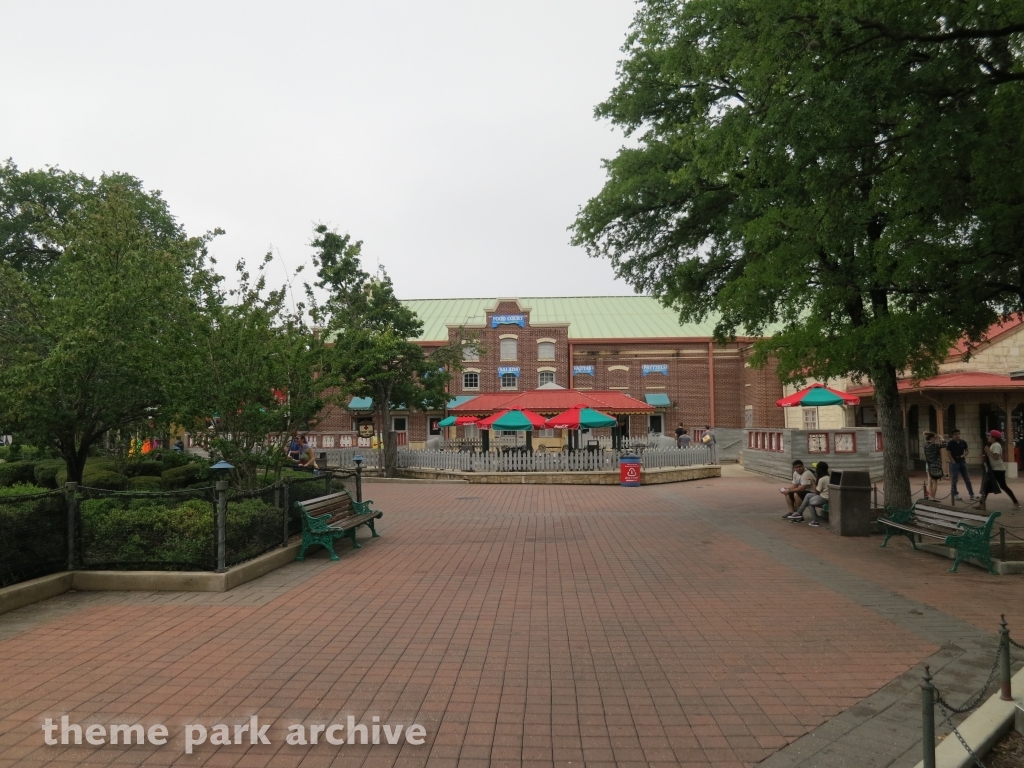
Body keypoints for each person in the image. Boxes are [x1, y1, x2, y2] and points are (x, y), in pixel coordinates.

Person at [982, 430, 1019, 509]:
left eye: (990, 436)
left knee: (1002, 486)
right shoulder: (993, 445)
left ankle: (1016, 502)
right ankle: (981, 504)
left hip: (998, 469)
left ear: (994, 438)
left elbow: (996, 457)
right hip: (994, 469)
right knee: (987, 486)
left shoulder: (996, 445)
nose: (988, 437)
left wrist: (988, 451)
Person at [788, 461, 830, 526]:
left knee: (809, 502)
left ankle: (815, 521)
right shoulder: (828, 477)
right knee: (808, 495)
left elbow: (816, 492)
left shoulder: (822, 479)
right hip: (825, 496)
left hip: (824, 498)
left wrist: (813, 481)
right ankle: (799, 513)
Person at [946, 429, 974, 501]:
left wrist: (963, 455)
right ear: (952, 435)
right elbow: (948, 453)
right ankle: (955, 494)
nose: (957, 435)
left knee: (967, 478)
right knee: (954, 479)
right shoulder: (950, 443)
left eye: (958, 434)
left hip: (962, 462)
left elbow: (967, 451)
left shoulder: (963, 442)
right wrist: (953, 461)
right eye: (955, 434)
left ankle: (971, 494)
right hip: (955, 463)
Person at [922, 432, 946, 500]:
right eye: (934, 438)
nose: (935, 439)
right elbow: (945, 444)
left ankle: (930, 496)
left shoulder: (925, 445)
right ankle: (933, 496)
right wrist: (942, 438)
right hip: (935, 465)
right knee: (935, 481)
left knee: (929, 481)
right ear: (931, 438)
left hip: (928, 464)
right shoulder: (934, 445)